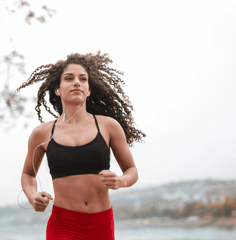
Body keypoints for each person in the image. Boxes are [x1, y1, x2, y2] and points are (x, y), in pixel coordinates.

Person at [17, 52, 145, 239]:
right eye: (69, 78)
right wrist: (31, 195)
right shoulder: (42, 133)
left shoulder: (108, 126)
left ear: (89, 89)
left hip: (102, 223)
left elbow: (131, 169)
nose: (77, 82)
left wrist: (121, 181)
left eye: (82, 79)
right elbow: (28, 173)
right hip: (63, 225)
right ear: (57, 89)